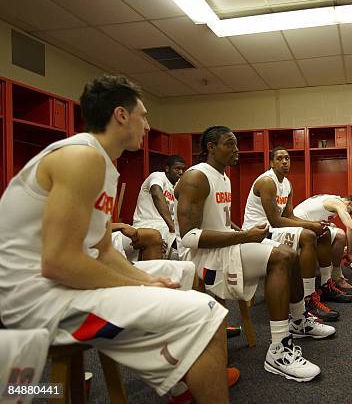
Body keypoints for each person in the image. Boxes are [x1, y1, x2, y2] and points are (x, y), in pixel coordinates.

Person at [0, 75, 229, 402]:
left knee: (181, 274)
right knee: (206, 310)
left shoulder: (103, 164)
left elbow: (104, 249)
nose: (147, 125)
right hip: (35, 301)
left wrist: (145, 279)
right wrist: (139, 285)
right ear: (121, 115)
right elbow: (59, 263)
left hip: (59, 285)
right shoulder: (81, 157)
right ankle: (193, 369)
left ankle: (186, 377)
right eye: (143, 115)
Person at [174, 126, 334, 383]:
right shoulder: (197, 177)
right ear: (211, 148)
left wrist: (240, 231)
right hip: (201, 259)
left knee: (288, 254)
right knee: (281, 258)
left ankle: (298, 321)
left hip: (224, 246)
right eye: (229, 144)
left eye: (236, 144)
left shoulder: (223, 177)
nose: (236, 149)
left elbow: (220, 224)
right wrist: (245, 236)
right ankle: (278, 351)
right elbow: (189, 237)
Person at [242, 147, 352, 322]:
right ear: (271, 163)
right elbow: (275, 220)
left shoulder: (286, 184)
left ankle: (325, 285)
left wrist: (316, 225)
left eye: (287, 158)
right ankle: (308, 299)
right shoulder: (267, 182)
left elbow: (289, 216)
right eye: (279, 158)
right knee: (308, 235)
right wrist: (310, 225)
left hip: (275, 228)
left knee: (323, 232)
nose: (284, 161)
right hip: (259, 231)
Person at [293, 194, 352, 291]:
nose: (348, 214)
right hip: (297, 229)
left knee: (334, 230)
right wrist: (350, 253)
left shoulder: (330, 198)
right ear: (348, 203)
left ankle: (329, 276)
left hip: (300, 224)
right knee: (340, 235)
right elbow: (351, 228)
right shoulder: (338, 203)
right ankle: (336, 275)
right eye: (350, 212)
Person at [132, 155, 186, 256]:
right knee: (179, 240)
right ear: (167, 169)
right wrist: (172, 227)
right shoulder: (157, 176)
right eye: (177, 169)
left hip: (164, 227)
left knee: (189, 238)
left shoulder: (177, 188)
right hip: (147, 225)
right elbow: (156, 194)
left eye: (183, 169)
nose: (181, 172)